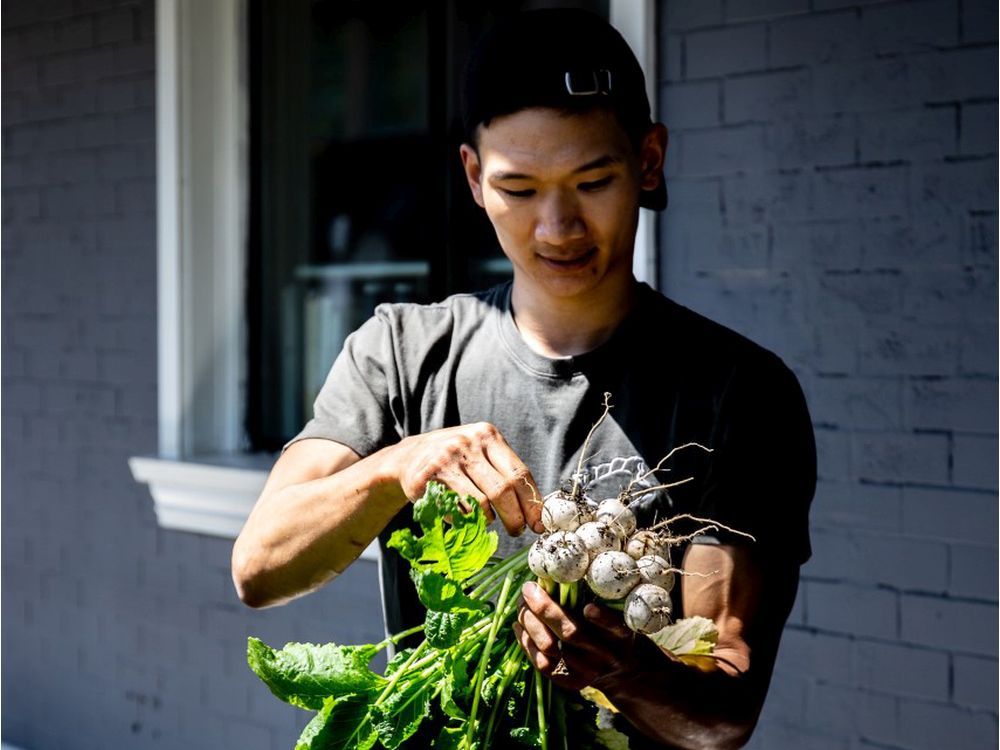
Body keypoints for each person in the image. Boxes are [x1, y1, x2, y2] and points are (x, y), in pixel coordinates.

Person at [232, 9, 816, 749]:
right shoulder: (402, 351)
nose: (557, 227)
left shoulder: (739, 393)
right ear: (474, 178)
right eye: (519, 188)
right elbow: (260, 568)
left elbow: (725, 712)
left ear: (649, 160)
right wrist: (400, 465)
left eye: (593, 179)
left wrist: (623, 669)